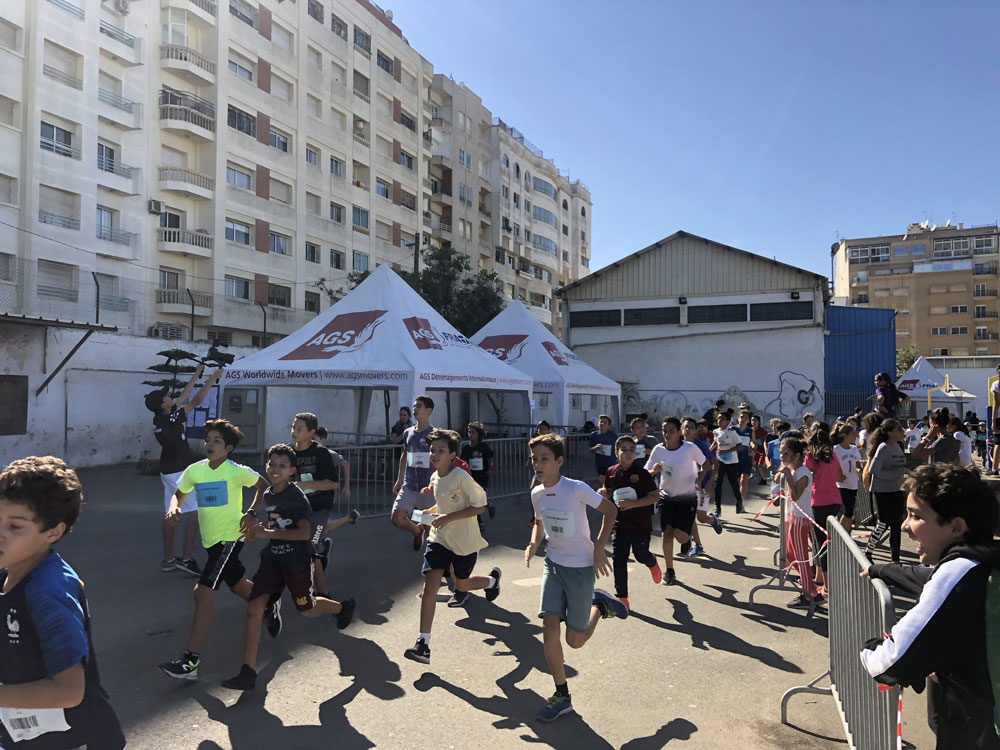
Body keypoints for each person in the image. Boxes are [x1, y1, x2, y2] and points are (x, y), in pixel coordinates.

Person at [860, 464, 1000, 750]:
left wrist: (865, 647)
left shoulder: (958, 572)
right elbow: (928, 578)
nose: (904, 525)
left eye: (915, 516)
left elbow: (892, 661)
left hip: (980, 730)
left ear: (955, 526)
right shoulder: (985, 561)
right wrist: (884, 571)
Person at [0, 456, 126, 750]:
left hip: (76, 740)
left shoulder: (47, 592)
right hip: (23, 736)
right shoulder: (10, 572)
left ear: (53, 533)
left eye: (15, 527)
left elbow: (69, 692)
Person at [221, 445, 355, 691]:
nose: (275, 469)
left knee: (307, 608)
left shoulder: (296, 497)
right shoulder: (270, 493)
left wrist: (266, 532)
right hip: (273, 559)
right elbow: (274, 522)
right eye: (272, 464)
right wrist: (256, 529)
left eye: (282, 466)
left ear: (293, 470)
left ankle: (341, 608)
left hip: (296, 561)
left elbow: (304, 533)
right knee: (254, 608)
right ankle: (247, 671)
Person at [525, 432, 627, 721]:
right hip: (554, 564)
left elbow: (611, 509)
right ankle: (561, 694)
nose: (538, 464)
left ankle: (600, 606)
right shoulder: (537, 493)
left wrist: (598, 548)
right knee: (549, 627)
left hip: (581, 567)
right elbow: (540, 524)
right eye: (535, 459)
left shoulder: (577, 489)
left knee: (575, 641)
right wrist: (534, 543)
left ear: (559, 461)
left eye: (544, 458)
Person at [159, 419, 268, 680]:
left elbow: (262, 484)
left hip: (230, 538)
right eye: (208, 439)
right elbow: (180, 492)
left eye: (217, 441)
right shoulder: (196, 471)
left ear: (228, 447)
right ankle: (270, 601)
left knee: (203, 593)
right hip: (210, 542)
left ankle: (191, 661)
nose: (210, 444)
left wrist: (252, 512)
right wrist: (174, 506)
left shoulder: (236, 471)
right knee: (238, 585)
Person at [403, 430, 501, 664]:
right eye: (432, 450)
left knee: (461, 584)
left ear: (453, 455)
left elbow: (480, 505)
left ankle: (492, 582)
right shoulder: (435, 477)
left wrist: (447, 517)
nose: (434, 454)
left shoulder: (461, 476)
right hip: (439, 538)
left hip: (464, 541)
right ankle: (423, 643)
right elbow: (444, 502)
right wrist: (431, 512)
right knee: (431, 585)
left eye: (440, 451)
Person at [145, 363, 224, 575]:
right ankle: (187, 558)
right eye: (166, 397)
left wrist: (197, 373)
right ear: (163, 405)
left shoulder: (163, 417)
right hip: (178, 471)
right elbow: (196, 400)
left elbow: (184, 397)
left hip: (169, 470)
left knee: (171, 512)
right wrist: (213, 377)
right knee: (197, 510)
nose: (170, 397)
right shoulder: (171, 417)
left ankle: (169, 559)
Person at [645, 417, 708, 586]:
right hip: (666, 497)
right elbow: (647, 471)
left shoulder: (690, 448)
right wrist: (653, 471)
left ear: (679, 431)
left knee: (680, 537)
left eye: (672, 431)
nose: (667, 434)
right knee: (667, 534)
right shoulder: (658, 450)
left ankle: (687, 540)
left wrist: (700, 479)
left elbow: (706, 463)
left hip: (687, 498)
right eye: (665, 431)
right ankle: (670, 571)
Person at [600, 435, 661, 610]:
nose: (628, 453)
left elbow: (655, 496)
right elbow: (611, 490)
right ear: (616, 452)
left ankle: (652, 561)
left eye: (631, 450)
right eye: (624, 450)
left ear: (636, 453)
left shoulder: (641, 474)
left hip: (641, 524)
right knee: (619, 559)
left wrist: (633, 504)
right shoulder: (611, 471)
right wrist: (605, 492)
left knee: (640, 555)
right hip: (619, 523)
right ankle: (622, 598)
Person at [289, 413, 341, 599]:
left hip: (319, 508)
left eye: (299, 429)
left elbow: (334, 483)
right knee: (299, 547)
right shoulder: (288, 452)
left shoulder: (320, 452)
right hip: (297, 509)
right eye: (293, 427)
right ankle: (322, 549)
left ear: (311, 432)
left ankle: (323, 592)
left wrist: (307, 486)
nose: (294, 432)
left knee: (309, 548)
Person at [774, 436, 822, 609]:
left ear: (797, 455)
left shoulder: (803, 473)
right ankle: (809, 584)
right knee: (790, 555)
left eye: (786, 453)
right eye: (780, 452)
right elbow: (775, 482)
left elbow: (794, 496)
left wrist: (787, 476)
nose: (782, 456)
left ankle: (809, 594)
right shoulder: (792, 470)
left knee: (800, 557)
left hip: (800, 519)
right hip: (791, 517)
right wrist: (783, 473)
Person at [804, 422, 845, 594]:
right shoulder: (833, 455)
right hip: (836, 501)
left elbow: (804, 477)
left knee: (821, 544)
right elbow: (840, 477)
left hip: (818, 502)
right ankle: (821, 578)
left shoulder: (811, 457)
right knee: (829, 543)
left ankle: (827, 587)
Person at [391, 396, 436, 550]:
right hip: (409, 485)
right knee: (397, 518)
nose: (415, 409)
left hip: (428, 488)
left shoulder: (435, 434)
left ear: (428, 411)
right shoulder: (408, 432)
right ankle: (417, 530)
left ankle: (437, 563)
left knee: (431, 531)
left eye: (420, 406)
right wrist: (399, 480)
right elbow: (405, 454)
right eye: (415, 406)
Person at [864, 419, 907, 563]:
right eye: (898, 429)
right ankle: (868, 551)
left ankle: (895, 559)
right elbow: (874, 470)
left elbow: (900, 466)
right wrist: (894, 474)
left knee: (896, 524)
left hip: (896, 490)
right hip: (882, 491)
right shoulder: (883, 447)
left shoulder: (899, 446)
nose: (902, 432)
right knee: (883, 523)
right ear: (889, 433)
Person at [681, 417, 723, 557]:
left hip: (703, 486)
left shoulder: (701, 445)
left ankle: (712, 519)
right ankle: (698, 545)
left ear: (695, 430)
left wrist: (709, 483)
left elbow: (715, 464)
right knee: (689, 517)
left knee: (701, 518)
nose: (687, 430)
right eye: (685, 427)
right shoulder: (677, 445)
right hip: (686, 487)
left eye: (691, 427)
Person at [459, 422, 496, 528]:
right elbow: (462, 461)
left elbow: (493, 456)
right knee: (473, 500)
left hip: (482, 476)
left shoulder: (483, 447)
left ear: (479, 435)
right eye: (469, 432)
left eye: (473, 433)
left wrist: (492, 468)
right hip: (471, 477)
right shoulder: (466, 448)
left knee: (477, 500)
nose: (470, 434)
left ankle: (487, 506)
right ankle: (479, 521)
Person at [832, 421, 862, 535]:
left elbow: (858, 465)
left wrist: (860, 470)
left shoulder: (854, 449)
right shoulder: (836, 449)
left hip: (853, 483)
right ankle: (841, 535)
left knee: (850, 511)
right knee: (847, 511)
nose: (855, 436)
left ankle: (846, 532)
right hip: (841, 484)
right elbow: (832, 466)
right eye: (853, 434)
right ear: (845, 435)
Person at [712, 413, 744, 515]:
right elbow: (716, 442)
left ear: (727, 421)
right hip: (720, 461)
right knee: (718, 483)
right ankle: (718, 508)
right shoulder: (716, 432)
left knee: (733, 483)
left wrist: (727, 451)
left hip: (732, 462)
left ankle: (739, 500)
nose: (719, 421)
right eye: (718, 419)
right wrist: (708, 452)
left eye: (721, 419)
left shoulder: (732, 432)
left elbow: (740, 446)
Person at [587, 414, 618, 485]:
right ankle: (604, 495)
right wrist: (596, 447)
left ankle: (610, 495)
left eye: (605, 422)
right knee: (602, 482)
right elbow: (590, 449)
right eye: (601, 422)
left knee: (610, 482)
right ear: (598, 423)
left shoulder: (613, 435)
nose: (602, 424)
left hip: (611, 462)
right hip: (600, 463)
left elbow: (618, 447)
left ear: (609, 426)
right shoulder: (594, 435)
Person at [734, 410, 755, 501]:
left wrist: (753, 448)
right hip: (735, 458)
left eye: (746, 418)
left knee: (744, 479)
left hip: (746, 458)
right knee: (738, 481)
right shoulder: (732, 429)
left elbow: (753, 442)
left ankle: (741, 502)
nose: (743, 419)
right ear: (738, 419)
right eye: (741, 417)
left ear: (748, 421)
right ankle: (739, 498)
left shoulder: (750, 431)